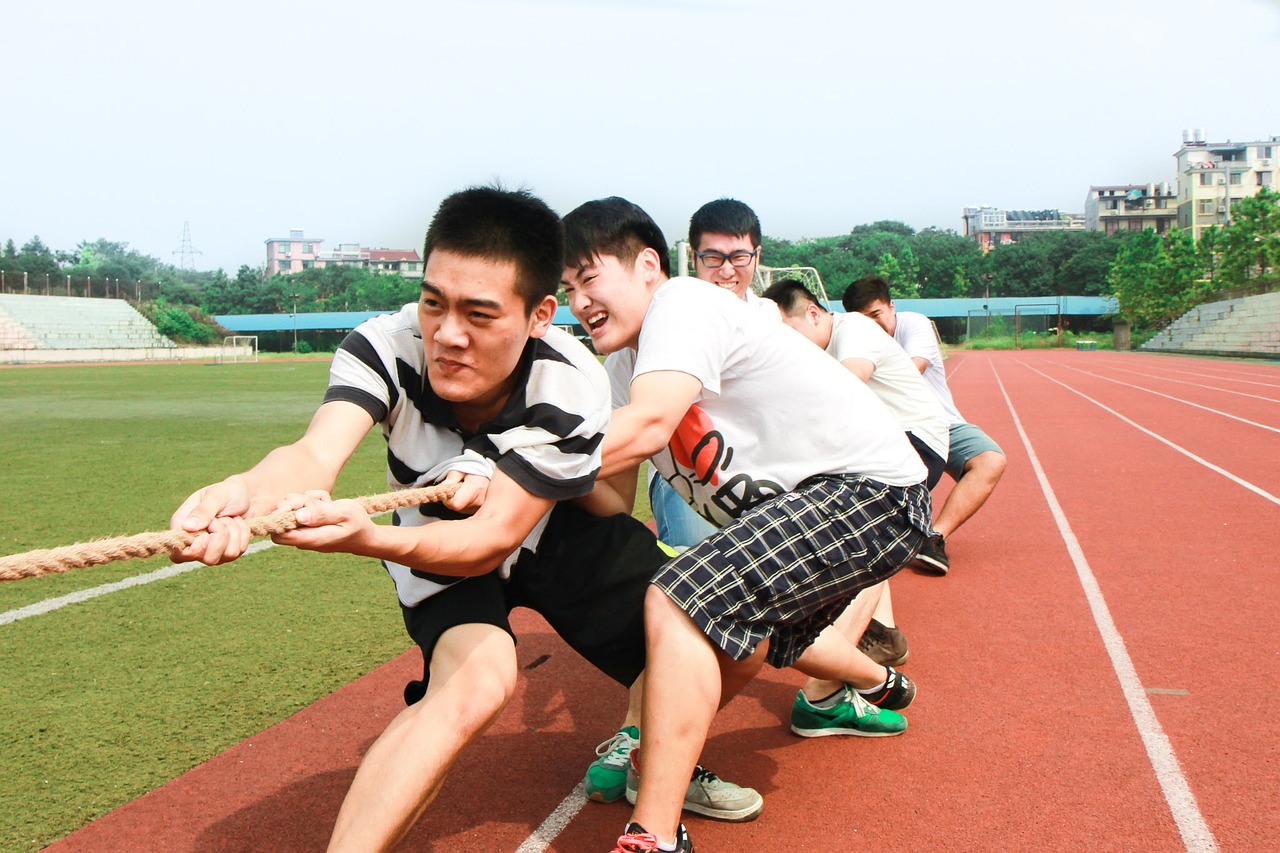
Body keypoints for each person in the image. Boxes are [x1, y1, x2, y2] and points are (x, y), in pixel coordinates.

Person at [167, 186, 754, 852]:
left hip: (546, 527)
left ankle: (652, 750)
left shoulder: (568, 381)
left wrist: (364, 537)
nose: (447, 334)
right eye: (433, 302)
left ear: (539, 315)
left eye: (479, 313)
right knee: (479, 677)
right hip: (432, 536)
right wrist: (245, 490)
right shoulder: (385, 346)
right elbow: (312, 455)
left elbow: (494, 536)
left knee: (731, 630)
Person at [561, 197, 932, 853]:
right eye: (566, 288)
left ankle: (652, 833)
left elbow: (647, 426)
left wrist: (519, 464)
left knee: (679, 595)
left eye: (588, 277)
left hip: (871, 490)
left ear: (648, 264)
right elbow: (611, 496)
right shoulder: (621, 367)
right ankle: (667, 766)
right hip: (813, 512)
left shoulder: (682, 305)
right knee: (740, 643)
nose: (578, 300)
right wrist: (506, 501)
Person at [764, 278, 953, 665]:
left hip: (915, 442)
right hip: (886, 446)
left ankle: (846, 642)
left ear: (814, 313)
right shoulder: (816, 349)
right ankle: (880, 631)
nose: (789, 345)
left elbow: (847, 384)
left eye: (791, 333)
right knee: (858, 527)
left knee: (854, 525)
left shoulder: (853, 327)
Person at [843, 275, 1007, 574]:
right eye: (864, 319)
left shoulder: (913, 324)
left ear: (892, 307)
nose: (872, 324)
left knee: (990, 460)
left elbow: (913, 369)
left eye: (877, 315)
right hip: (886, 429)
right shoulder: (851, 337)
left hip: (939, 421)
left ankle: (933, 537)